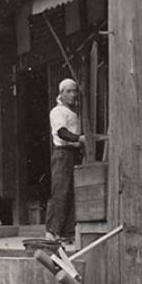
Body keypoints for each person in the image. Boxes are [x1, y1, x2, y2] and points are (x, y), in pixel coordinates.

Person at [46, 78, 85, 244]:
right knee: (60, 191)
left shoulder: (74, 113)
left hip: (74, 153)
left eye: (74, 91)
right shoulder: (57, 111)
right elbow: (61, 132)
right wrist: (79, 138)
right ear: (61, 93)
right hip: (62, 153)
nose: (72, 94)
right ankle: (52, 231)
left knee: (72, 193)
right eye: (68, 91)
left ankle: (67, 233)